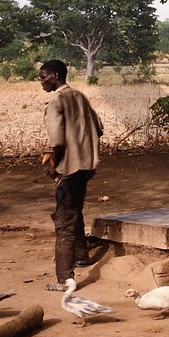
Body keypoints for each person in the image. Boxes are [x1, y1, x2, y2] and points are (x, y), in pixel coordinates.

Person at [39, 59, 105, 292]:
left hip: (70, 169)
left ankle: (64, 280)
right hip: (87, 166)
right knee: (74, 211)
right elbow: (98, 128)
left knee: (64, 223)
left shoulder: (57, 100)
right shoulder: (79, 96)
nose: (41, 82)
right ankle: (82, 256)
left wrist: (53, 165)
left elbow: (56, 141)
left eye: (44, 77)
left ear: (55, 76)